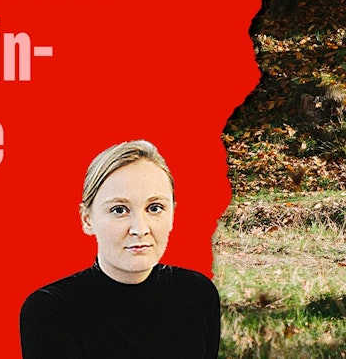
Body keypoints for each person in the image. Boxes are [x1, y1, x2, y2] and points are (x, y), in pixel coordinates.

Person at [20, 140, 220, 359]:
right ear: (87, 220)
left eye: (154, 208)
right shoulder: (50, 310)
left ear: (173, 214)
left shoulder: (198, 294)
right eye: (119, 210)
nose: (140, 229)